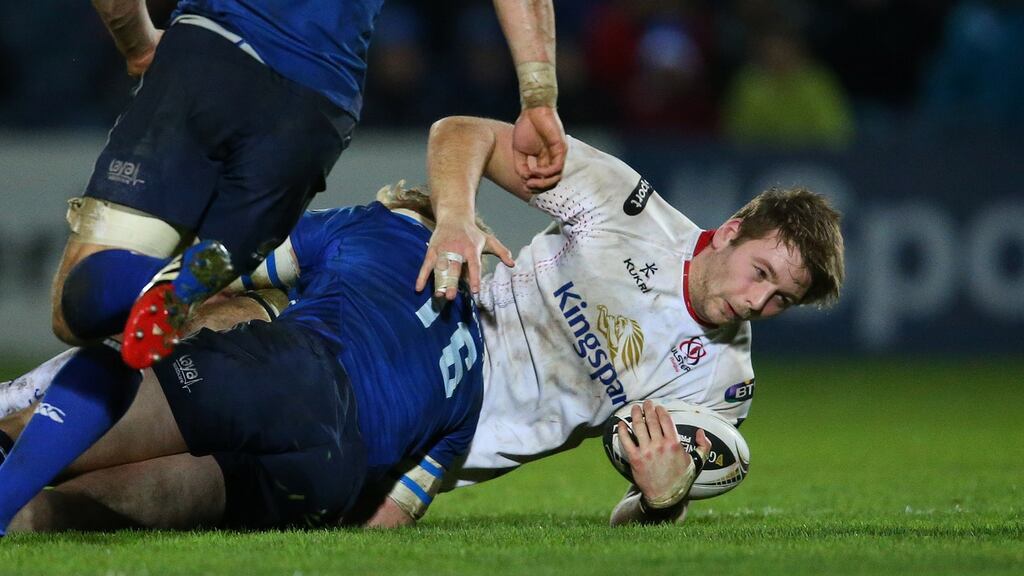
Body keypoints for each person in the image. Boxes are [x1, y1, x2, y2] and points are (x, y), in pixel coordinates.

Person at [2, 114, 844, 529]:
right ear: (731, 229)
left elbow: (647, 499)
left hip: (428, 433)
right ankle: (19, 418)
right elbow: (465, 132)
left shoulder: (723, 379)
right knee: (227, 323)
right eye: (762, 272)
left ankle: (35, 474)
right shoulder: (624, 204)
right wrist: (452, 216)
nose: (758, 301)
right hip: (421, 317)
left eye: (780, 300)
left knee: (210, 448)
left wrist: (662, 502)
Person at [54, 0, 566, 370]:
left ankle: (170, 292)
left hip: (212, 55)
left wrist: (138, 41)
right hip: (315, 110)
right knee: (194, 297)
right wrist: (539, 95)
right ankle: (202, 291)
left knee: (74, 311)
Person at [0, 194, 485, 534]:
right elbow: (392, 515)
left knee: (48, 439)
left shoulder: (381, 224)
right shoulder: (473, 378)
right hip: (330, 478)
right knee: (67, 515)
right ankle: (36, 517)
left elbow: (227, 265)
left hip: (290, 373)